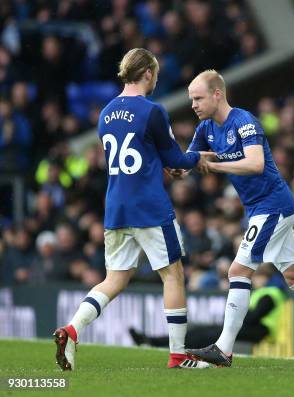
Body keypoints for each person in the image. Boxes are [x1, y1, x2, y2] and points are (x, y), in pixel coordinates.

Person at [53, 48, 210, 370]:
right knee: (173, 275)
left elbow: (139, 156)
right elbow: (176, 159)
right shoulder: (152, 110)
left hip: (116, 207)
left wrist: (165, 166)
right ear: (148, 73)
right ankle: (178, 355)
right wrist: (199, 159)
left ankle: (71, 329)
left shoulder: (106, 113)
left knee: (114, 280)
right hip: (149, 207)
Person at [182, 70, 294, 366]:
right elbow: (189, 161)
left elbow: (256, 163)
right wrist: (172, 164)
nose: (193, 104)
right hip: (260, 208)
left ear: (217, 94)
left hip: (273, 205)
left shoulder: (243, 122)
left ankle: (224, 348)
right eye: (191, 99)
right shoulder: (205, 128)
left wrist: (217, 166)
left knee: (238, 271)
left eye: (198, 98)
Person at [129, 266, 285, 349]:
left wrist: (238, 315)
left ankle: (156, 342)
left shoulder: (270, 293)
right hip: (253, 328)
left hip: (262, 331)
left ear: (266, 278)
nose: (254, 280)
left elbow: (253, 317)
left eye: (258, 277)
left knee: (208, 333)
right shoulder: (263, 292)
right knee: (203, 331)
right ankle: (154, 341)